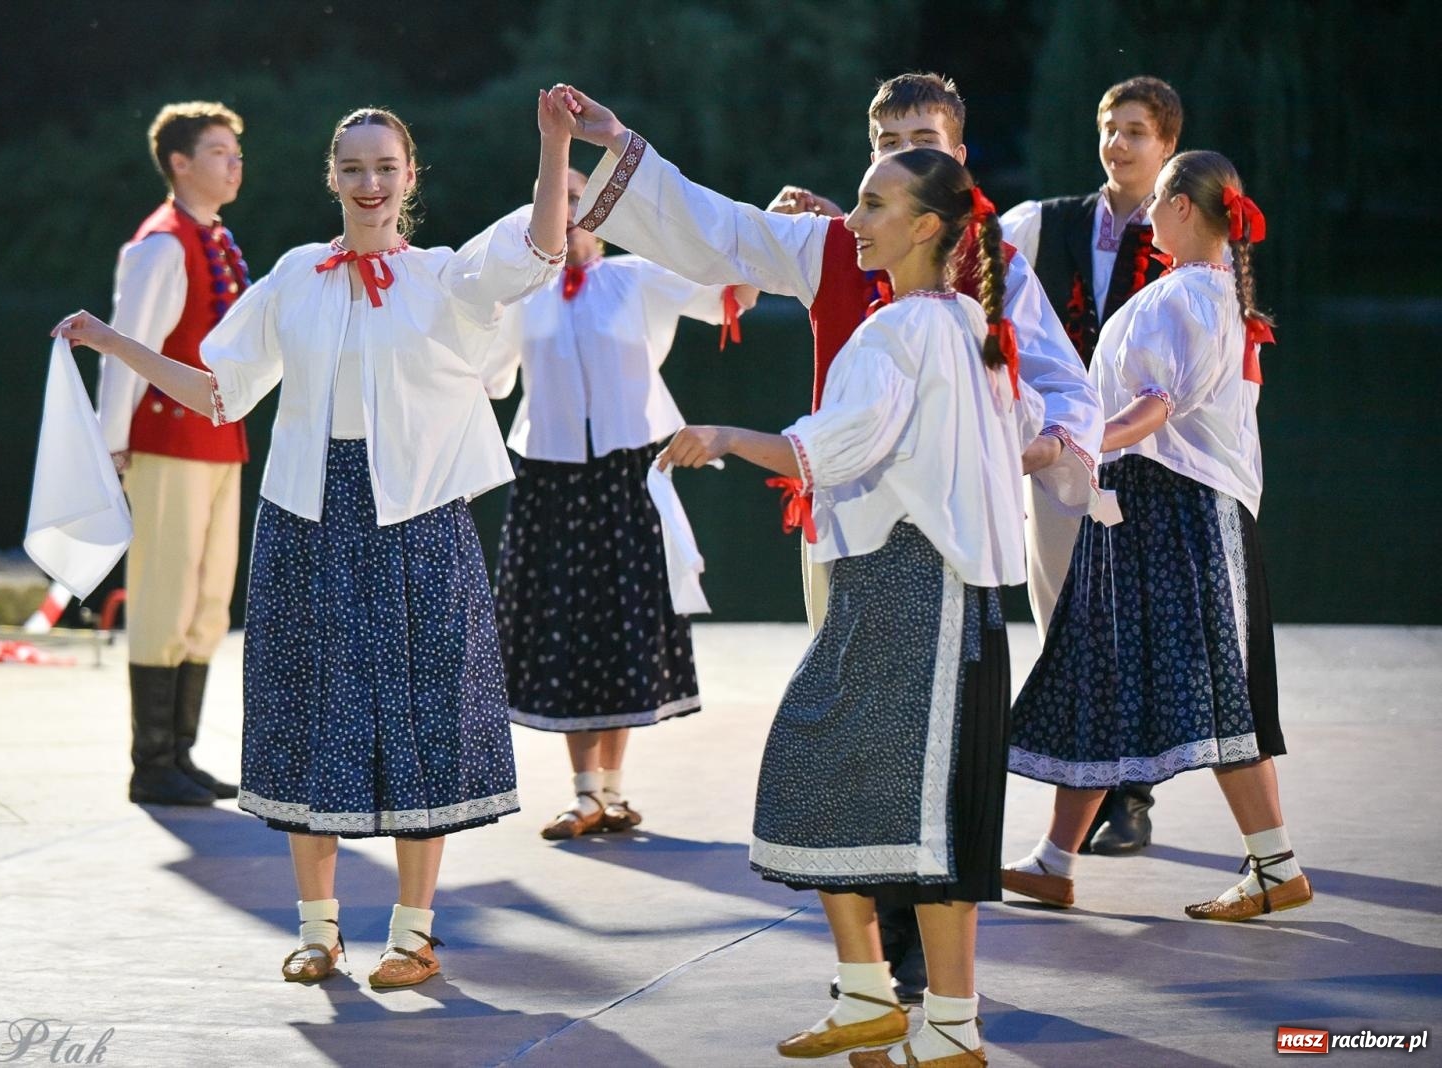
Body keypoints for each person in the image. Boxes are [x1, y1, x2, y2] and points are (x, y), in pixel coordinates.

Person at [561, 72, 1099, 1010]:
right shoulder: (833, 244)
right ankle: (881, 965)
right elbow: (720, 229)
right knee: (857, 735)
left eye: (919, 139)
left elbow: (1059, 385)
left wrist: (1037, 448)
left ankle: (913, 962)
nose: (897, 154)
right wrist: (618, 143)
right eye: (885, 142)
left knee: (917, 739)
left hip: (938, 541)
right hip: (843, 525)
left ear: (956, 157)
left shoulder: (994, 269)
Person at [53, 93, 571, 987]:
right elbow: (220, 391)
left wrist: (554, 143)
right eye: (353, 168)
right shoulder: (295, 274)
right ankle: (317, 932)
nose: (370, 183)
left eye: (385, 168)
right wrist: (112, 343)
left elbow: (540, 245)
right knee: (309, 714)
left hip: (415, 520)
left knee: (421, 719)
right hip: (306, 518)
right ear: (331, 177)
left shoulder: (444, 276)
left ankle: (413, 936)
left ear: (409, 178)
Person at [1002, 151, 1310, 924]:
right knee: (1099, 671)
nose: (1147, 215)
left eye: (1158, 200)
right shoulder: (1207, 292)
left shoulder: (1188, 297)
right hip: (1147, 510)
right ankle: (1056, 859)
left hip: (1181, 515)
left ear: (1180, 207)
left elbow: (1155, 406)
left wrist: (1081, 441)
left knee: (1217, 691)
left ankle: (1275, 864)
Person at [481, 167, 756, 840]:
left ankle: (609, 791)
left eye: (580, 198)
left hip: (627, 472)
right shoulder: (522, 293)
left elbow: (733, 295)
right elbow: (487, 374)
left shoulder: (637, 277)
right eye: (556, 199)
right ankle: (585, 792)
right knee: (566, 623)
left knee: (622, 621)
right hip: (550, 475)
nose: (569, 209)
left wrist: (758, 227)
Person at [1000, 76, 1185, 856]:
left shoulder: (1189, 232)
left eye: (1136, 131)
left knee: (1127, 626)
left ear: (1167, 143)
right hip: (1059, 455)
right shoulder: (1045, 223)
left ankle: (1130, 798)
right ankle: (1089, 786)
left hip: (1146, 460)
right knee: (1060, 620)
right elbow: (947, 245)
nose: (1118, 143)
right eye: (1111, 127)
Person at [96, 101, 250, 807]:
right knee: (165, 593)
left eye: (236, 152)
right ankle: (151, 760)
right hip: (166, 443)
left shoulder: (213, 237)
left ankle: (179, 753)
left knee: (210, 600)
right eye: (219, 151)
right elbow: (126, 348)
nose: (234, 163)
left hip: (217, 442)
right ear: (179, 163)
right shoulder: (161, 243)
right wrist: (112, 445)